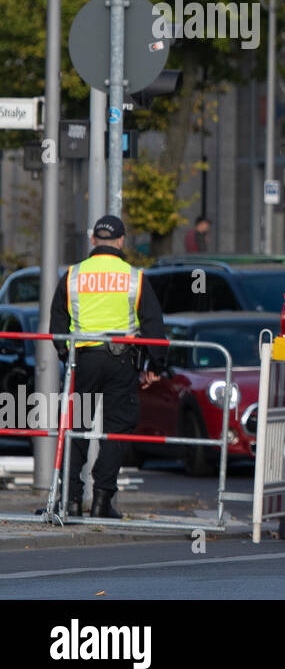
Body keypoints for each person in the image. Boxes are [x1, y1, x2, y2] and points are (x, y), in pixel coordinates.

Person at [48, 215, 166, 519]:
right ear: (122, 241)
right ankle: (101, 500)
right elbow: (153, 323)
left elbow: (57, 321)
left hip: (83, 361)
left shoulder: (73, 275)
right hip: (121, 361)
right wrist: (155, 363)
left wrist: (66, 354)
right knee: (117, 428)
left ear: (92, 240)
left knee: (76, 428)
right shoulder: (133, 277)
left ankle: (70, 500)